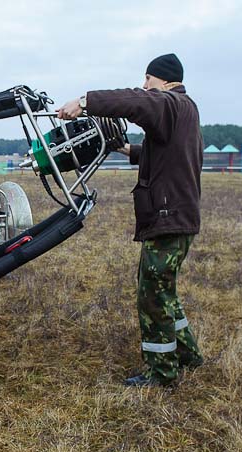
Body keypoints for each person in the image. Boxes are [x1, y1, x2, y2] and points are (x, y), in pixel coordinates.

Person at [57, 53, 204, 387]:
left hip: (168, 218)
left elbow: (134, 101)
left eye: (148, 80)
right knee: (165, 289)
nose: (144, 86)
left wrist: (85, 102)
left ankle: (162, 373)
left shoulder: (168, 103)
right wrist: (125, 149)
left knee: (152, 295)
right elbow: (167, 155)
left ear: (164, 80)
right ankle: (188, 354)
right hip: (180, 219)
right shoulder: (186, 111)